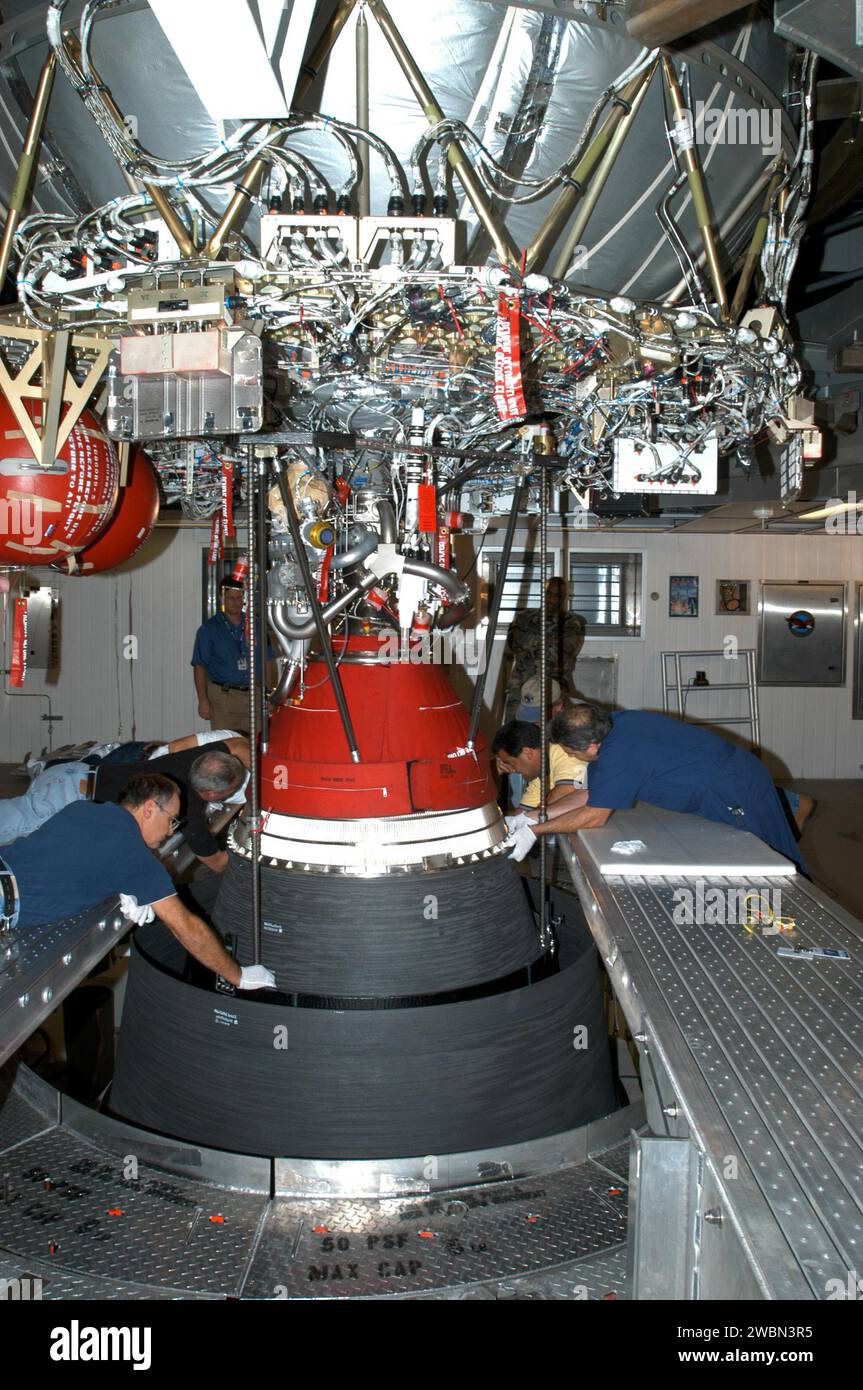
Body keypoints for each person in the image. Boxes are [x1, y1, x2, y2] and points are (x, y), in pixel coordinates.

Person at [0, 774, 273, 991]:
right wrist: (237, 976)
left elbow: (74, 859)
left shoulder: (83, 809)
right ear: (150, 808)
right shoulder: (135, 856)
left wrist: (121, 885)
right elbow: (186, 928)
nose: (169, 832)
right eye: (172, 821)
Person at [505, 703, 805, 870]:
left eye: (571, 752)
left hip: (737, 787)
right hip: (720, 782)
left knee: (774, 858)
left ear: (593, 746)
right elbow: (590, 795)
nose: (570, 757)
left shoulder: (619, 753)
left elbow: (594, 815)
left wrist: (536, 832)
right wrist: (531, 816)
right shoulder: (612, 726)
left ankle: (800, 920)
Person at [0, 740, 249, 872]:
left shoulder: (202, 759)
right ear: (209, 793)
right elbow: (217, 863)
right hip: (66, 797)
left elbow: (237, 745)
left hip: (75, 774)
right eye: (231, 792)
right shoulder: (189, 810)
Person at [192, 578, 274, 735]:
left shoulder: (256, 625)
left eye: (239, 598)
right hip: (224, 698)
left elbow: (267, 661)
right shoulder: (208, 629)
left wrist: (267, 695)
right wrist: (203, 700)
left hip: (253, 697)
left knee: (253, 746)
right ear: (222, 598)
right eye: (231, 598)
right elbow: (199, 666)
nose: (236, 603)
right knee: (227, 747)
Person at [503, 577, 586, 723]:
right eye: (548, 593)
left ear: (564, 597)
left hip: (554, 686)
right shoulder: (524, 617)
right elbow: (513, 643)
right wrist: (547, 640)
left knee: (554, 730)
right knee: (514, 730)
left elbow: (564, 650)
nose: (551, 599)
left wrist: (529, 642)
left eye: (556, 595)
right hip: (521, 685)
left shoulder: (572, 622)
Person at [491, 720, 588, 819]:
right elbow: (520, 816)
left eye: (512, 763)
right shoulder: (540, 774)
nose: (512, 770)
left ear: (527, 752)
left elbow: (566, 795)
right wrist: (493, 773)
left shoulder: (563, 752)